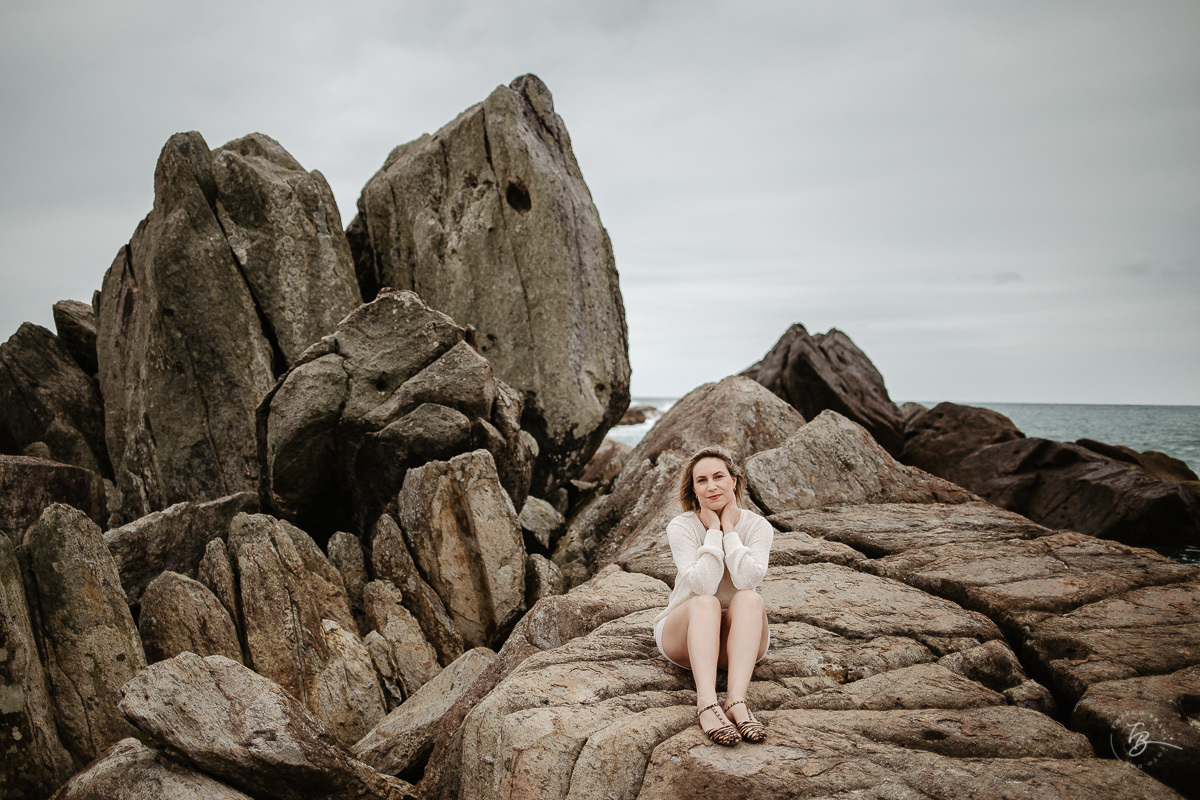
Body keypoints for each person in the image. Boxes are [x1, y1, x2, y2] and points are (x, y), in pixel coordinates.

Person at [652, 445, 772, 745]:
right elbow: (703, 585)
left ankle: (736, 701)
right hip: (685, 634)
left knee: (750, 598)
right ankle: (706, 703)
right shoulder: (682, 526)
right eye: (702, 480)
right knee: (706, 601)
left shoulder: (758, 526)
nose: (711, 486)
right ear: (694, 489)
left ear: (734, 481)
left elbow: (746, 579)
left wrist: (729, 529)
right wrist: (713, 531)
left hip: (737, 639)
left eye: (718, 477)